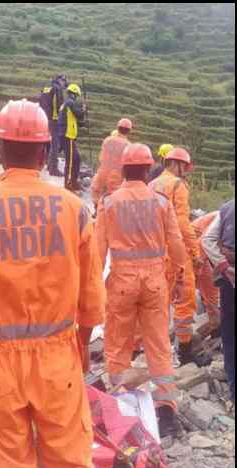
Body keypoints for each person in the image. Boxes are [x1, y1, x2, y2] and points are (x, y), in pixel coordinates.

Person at [0, 99, 104, 468]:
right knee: (72, 466)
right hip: (57, 357)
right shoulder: (73, 209)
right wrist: (80, 344)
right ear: (45, 150)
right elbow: (92, 293)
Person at [95, 143, 188, 438]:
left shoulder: (109, 203)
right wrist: (182, 276)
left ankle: (121, 410)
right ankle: (166, 411)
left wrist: (94, 285)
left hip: (121, 283)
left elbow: (97, 252)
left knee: (118, 345)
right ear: (149, 170)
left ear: (123, 170)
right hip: (155, 283)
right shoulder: (161, 202)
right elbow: (176, 245)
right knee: (159, 345)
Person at [149, 147, 210, 365]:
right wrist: (195, 253)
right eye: (185, 167)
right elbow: (183, 224)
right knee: (185, 300)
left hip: (155, 251)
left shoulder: (152, 184)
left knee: (160, 302)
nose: (186, 172)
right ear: (178, 164)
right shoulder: (177, 185)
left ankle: (156, 351)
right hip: (176, 251)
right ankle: (184, 350)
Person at [201, 199, 235, 403]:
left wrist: (224, 266)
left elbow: (207, 239)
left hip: (229, 280)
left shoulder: (227, 208)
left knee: (230, 337)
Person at [90, 118, 132, 207]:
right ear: (129, 131)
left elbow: (101, 158)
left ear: (117, 127)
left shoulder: (107, 140)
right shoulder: (128, 146)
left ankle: (96, 211)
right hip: (116, 178)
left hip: (102, 174)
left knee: (98, 197)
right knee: (111, 202)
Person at [192, 210, 221, 335]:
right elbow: (203, 243)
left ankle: (215, 323)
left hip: (200, 254)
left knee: (211, 294)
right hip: (196, 254)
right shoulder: (224, 218)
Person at [58, 83, 86, 192]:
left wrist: (81, 124)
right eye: (76, 95)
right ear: (74, 94)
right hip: (67, 135)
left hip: (69, 136)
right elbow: (79, 114)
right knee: (70, 161)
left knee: (76, 159)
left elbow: (74, 119)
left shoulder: (67, 104)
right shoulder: (69, 102)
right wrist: (83, 110)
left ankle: (74, 182)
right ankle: (68, 184)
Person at [41, 74, 67, 172]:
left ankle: (46, 163)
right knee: (55, 143)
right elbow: (59, 106)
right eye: (64, 81)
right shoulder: (57, 89)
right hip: (54, 119)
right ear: (60, 80)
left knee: (46, 141)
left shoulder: (46, 87)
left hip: (43, 118)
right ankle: (53, 168)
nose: (64, 84)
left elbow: (40, 101)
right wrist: (61, 118)